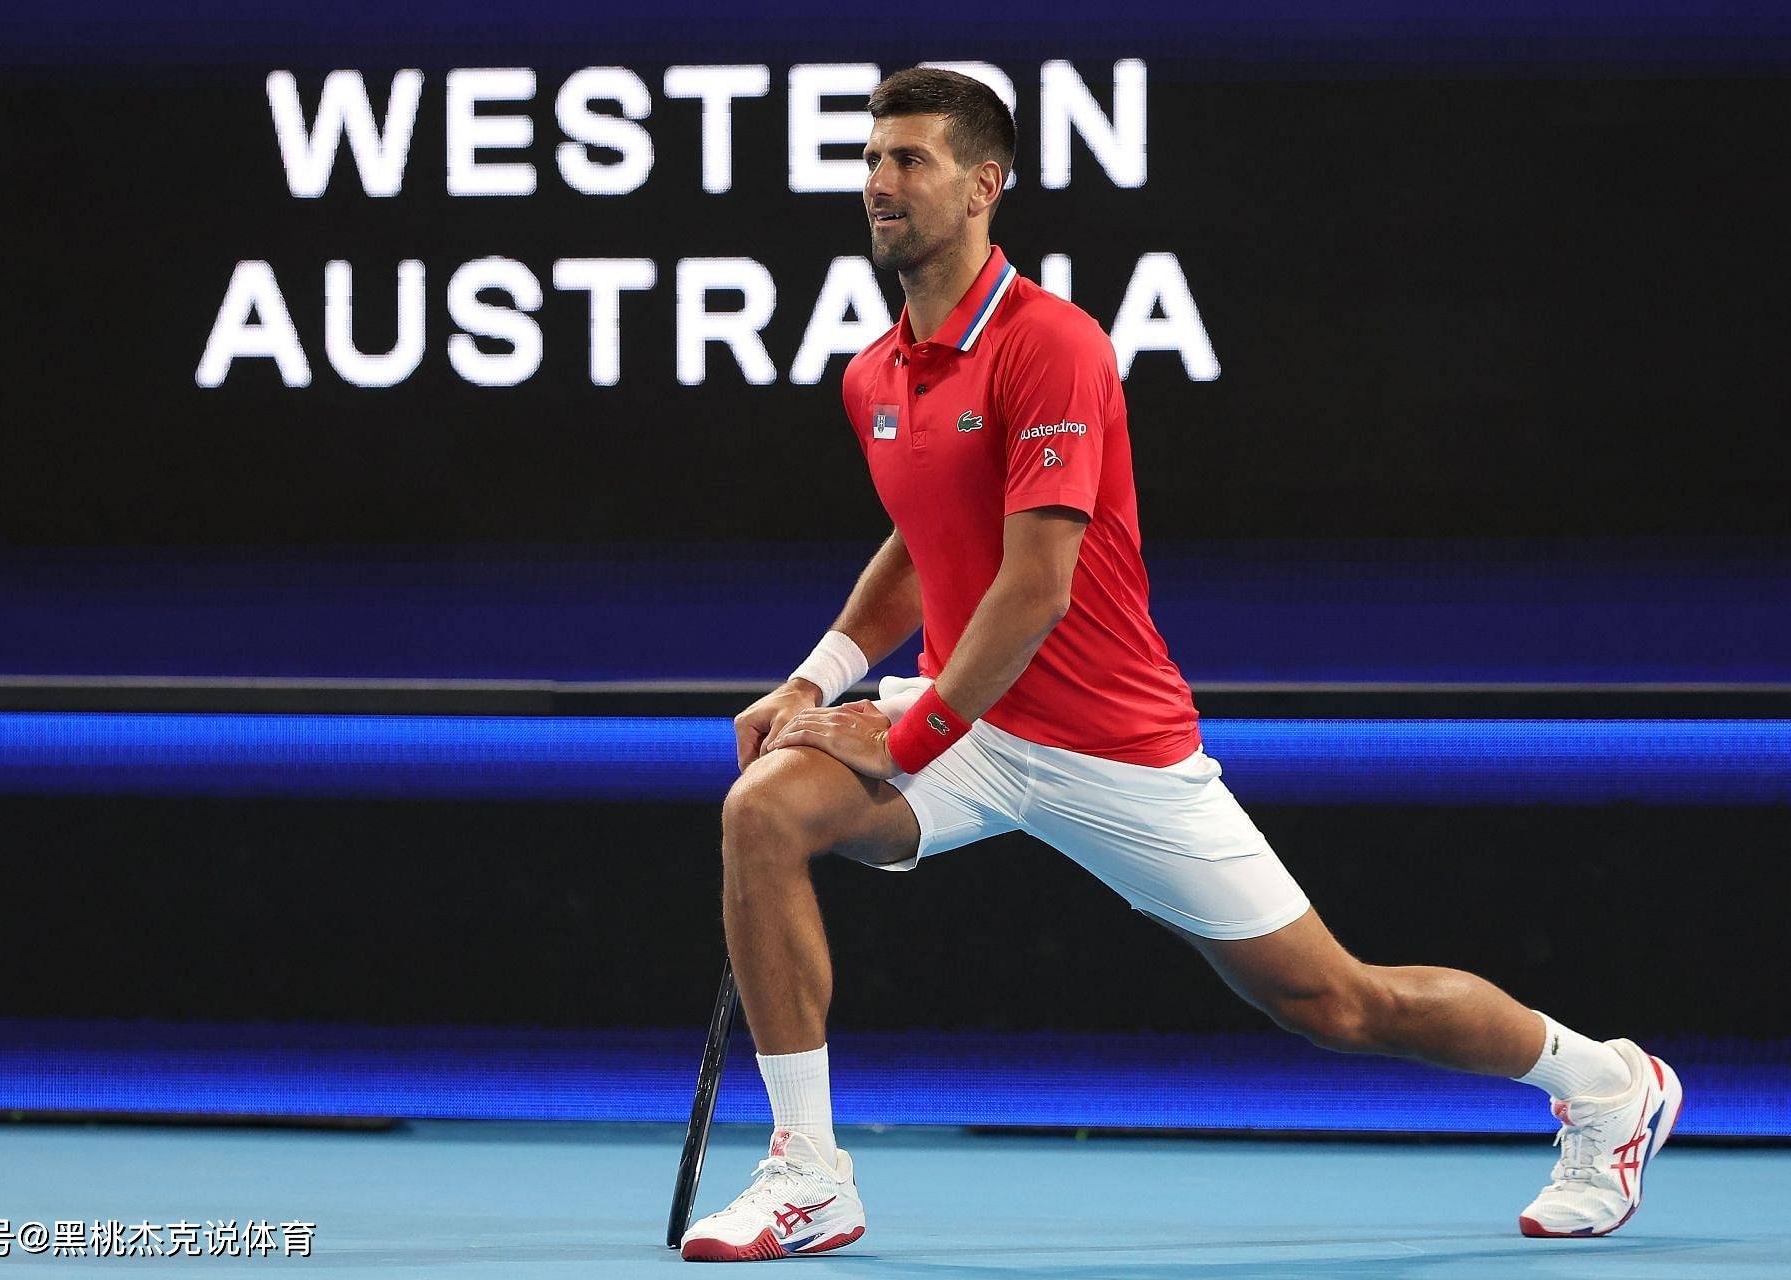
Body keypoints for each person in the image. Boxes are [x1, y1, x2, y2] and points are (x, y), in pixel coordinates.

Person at [677, 67, 1680, 1263]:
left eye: (912, 162)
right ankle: (810, 1172)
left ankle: (1610, 1083)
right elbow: (922, 538)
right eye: (875, 160)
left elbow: (1036, 587)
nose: (881, 184)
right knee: (764, 811)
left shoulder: (1055, 347)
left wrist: (899, 733)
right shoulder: (875, 374)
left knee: (1335, 1002)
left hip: (1106, 742)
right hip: (971, 726)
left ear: (985, 187)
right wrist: (817, 676)